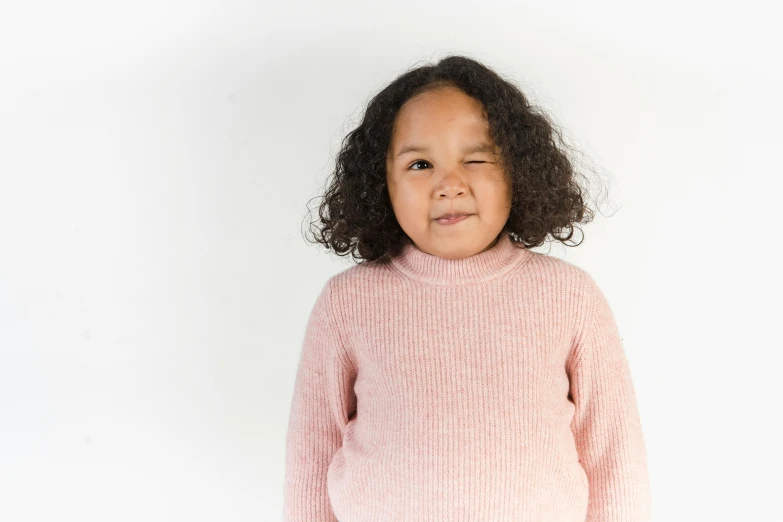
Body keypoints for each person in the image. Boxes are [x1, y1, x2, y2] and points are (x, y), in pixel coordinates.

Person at [283, 54, 651, 521]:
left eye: (475, 158)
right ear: (382, 185)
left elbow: (614, 457)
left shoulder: (570, 297)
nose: (449, 184)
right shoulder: (345, 302)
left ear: (517, 172)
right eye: (419, 164)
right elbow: (312, 459)